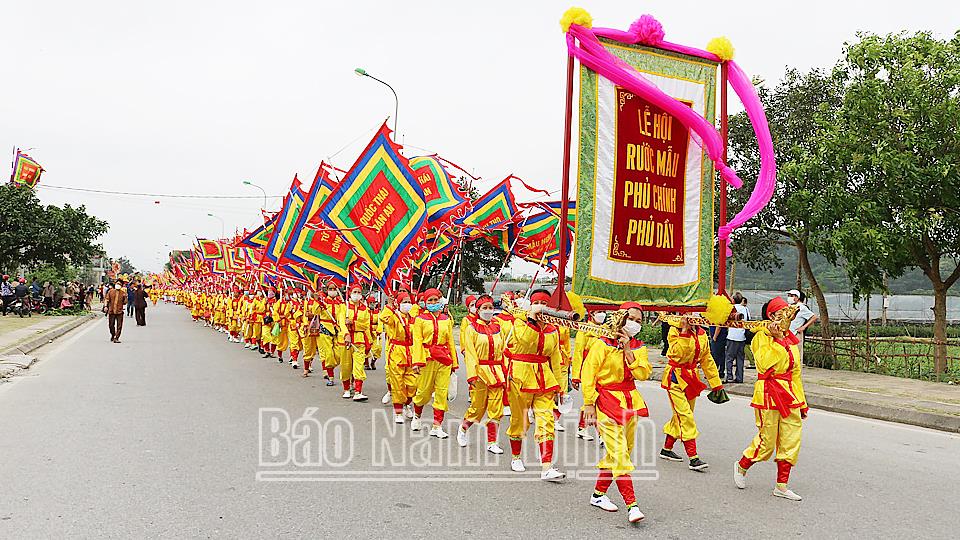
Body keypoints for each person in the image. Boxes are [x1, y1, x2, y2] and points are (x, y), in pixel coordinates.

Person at [582, 302, 651, 524]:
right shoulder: (601, 344)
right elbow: (588, 374)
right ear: (621, 318)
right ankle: (632, 505)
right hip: (606, 403)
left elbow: (643, 374)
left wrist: (628, 350)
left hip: (631, 402)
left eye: (639, 321)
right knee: (619, 453)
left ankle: (597, 495)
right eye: (631, 319)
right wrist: (589, 405)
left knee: (621, 452)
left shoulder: (639, 347)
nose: (635, 324)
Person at [734, 296, 807, 501]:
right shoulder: (760, 337)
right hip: (768, 391)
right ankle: (742, 465)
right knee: (767, 442)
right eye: (782, 312)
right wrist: (776, 340)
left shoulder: (791, 340)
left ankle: (781, 486)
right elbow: (766, 364)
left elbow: (796, 373)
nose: (787, 316)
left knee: (791, 438)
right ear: (772, 316)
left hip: (789, 394)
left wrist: (802, 402)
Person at [505, 289, 565, 481]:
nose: (541, 306)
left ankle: (546, 466)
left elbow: (555, 358)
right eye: (537, 302)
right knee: (520, 421)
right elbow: (525, 340)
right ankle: (516, 456)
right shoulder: (519, 323)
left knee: (546, 420)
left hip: (544, 377)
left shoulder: (553, 330)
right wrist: (531, 318)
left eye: (545, 303)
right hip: (520, 375)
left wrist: (560, 386)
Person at [659, 315, 724, 471]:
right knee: (685, 416)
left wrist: (716, 384)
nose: (694, 316)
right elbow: (676, 353)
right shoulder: (674, 330)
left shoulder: (702, 333)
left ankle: (666, 449)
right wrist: (684, 332)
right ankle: (693, 457)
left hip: (691, 379)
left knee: (682, 415)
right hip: (675, 378)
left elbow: (706, 359)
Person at [457, 294, 506, 454]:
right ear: (477, 310)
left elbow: (504, 351)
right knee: (477, 408)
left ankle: (492, 442)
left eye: (491, 308)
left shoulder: (498, 327)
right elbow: (470, 354)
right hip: (480, 373)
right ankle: (463, 429)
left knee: (496, 409)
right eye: (484, 308)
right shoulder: (471, 329)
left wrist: (506, 371)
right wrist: (472, 376)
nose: (488, 311)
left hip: (497, 373)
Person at [410, 288, 457, 438]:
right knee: (423, 392)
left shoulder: (446, 319)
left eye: (435, 300)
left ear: (440, 301)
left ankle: (437, 426)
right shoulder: (420, 319)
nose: (433, 303)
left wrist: (454, 363)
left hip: (444, 359)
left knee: (441, 393)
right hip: (427, 358)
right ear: (425, 302)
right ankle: (417, 416)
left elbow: (450, 342)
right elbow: (417, 341)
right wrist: (417, 362)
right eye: (430, 300)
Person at [381, 292, 419, 423]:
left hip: (411, 352)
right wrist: (389, 306)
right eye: (404, 302)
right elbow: (384, 318)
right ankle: (398, 411)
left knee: (413, 383)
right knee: (397, 382)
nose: (407, 304)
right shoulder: (394, 317)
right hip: (396, 352)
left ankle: (407, 403)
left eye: (409, 302)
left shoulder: (414, 318)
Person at [338, 284, 373, 401]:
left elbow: (366, 325)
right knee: (346, 365)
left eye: (359, 292)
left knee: (359, 365)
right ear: (350, 293)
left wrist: (353, 323)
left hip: (359, 340)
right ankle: (347, 389)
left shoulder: (365, 309)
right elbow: (341, 322)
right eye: (355, 292)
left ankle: (358, 391)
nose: (357, 294)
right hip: (345, 340)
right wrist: (346, 334)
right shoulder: (344, 307)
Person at [725, 293, 750, 384]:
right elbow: (747, 321)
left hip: (732, 336)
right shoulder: (745, 309)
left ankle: (729, 376)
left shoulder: (730, 309)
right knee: (740, 359)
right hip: (742, 337)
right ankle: (740, 377)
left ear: (733, 300)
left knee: (729, 358)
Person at [785, 289, 818, 360]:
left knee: (796, 355)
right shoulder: (788, 306)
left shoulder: (801, 307)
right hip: (787, 333)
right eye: (789, 296)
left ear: (797, 297)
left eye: (792, 296)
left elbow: (814, 317)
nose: (790, 297)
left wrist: (803, 327)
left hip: (796, 333)